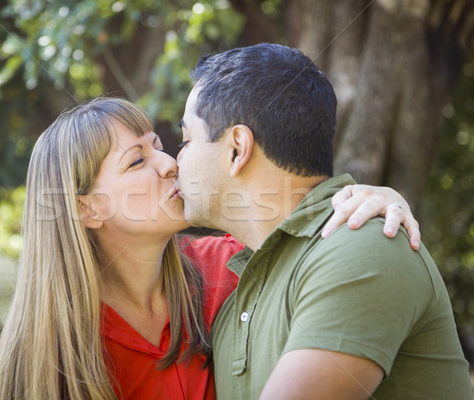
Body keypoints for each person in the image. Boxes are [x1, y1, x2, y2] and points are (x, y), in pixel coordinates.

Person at [0, 98, 420, 400]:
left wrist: (373, 198)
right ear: (87, 209)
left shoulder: (234, 267)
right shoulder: (53, 350)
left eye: (158, 144)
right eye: (137, 160)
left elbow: (313, 237)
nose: (169, 163)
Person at [176, 43, 473, 399]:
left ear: (237, 148)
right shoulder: (235, 300)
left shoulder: (361, 247)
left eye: (185, 140)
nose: (173, 162)